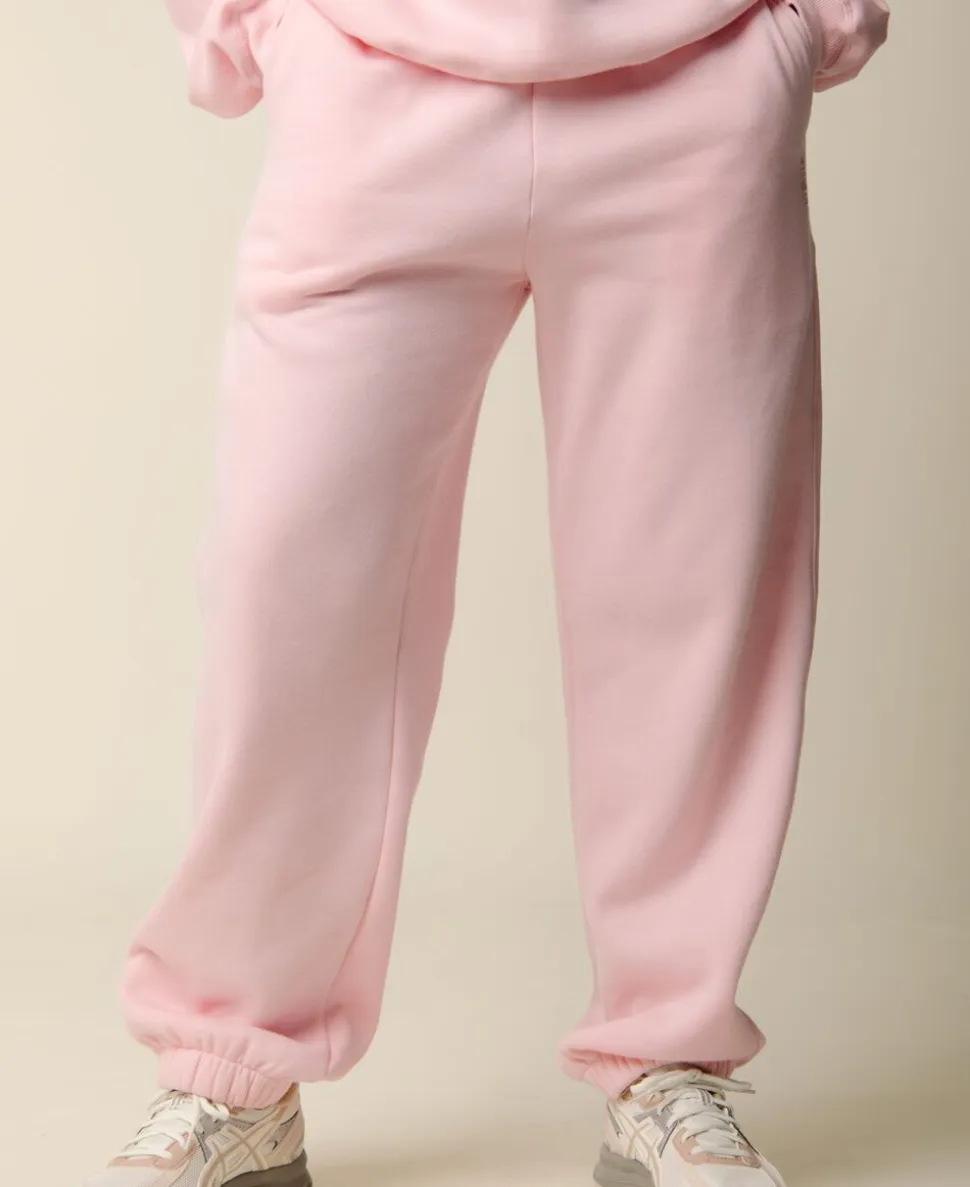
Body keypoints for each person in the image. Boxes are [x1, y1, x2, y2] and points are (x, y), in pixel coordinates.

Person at [83, 2, 890, 1186]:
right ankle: (230, 1064)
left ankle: (667, 1055)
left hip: (697, 73)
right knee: (287, 579)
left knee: (694, 588)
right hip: (372, 68)